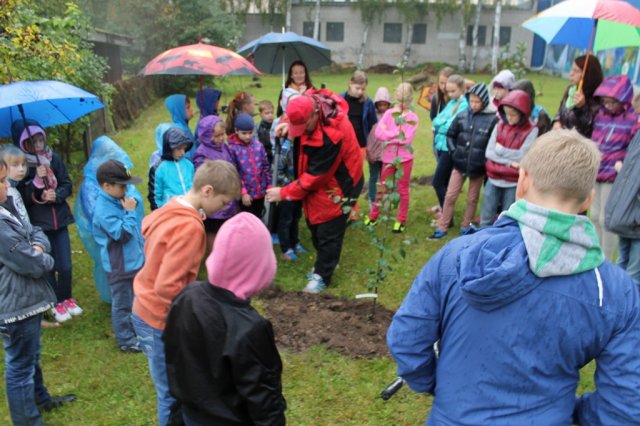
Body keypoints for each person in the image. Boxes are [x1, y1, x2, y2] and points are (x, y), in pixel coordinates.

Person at [387, 129, 640, 425]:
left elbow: (407, 339)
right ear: (587, 200)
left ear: (522, 181)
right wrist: (573, 414)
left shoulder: (456, 255)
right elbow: (627, 402)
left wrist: (434, 384)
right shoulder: (615, 290)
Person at [132, 159, 241, 426]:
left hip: (142, 309)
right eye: (224, 201)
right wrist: (197, 316)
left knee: (172, 389)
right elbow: (168, 287)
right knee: (171, 394)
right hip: (159, 318)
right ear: (207, 191)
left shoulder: (173, 207)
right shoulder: (190, 228)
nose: (225, 208)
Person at [164, 212, 286, 425]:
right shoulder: (251, 328)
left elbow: (174, 357)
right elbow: (264, 398)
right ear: (259, 268)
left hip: (190, 416)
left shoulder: (187, 296)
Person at [0, 157, 77, 425]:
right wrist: (44, 258)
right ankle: (27, 420)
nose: (6, 185)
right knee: (20, 365)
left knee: (30, 356)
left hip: (25, 297)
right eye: (0, 180)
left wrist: (38, 245)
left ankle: (40, 399)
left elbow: (34, 230)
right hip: (13, 303)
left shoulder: (7, 204)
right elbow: (28, 261)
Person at [266, 89, 364, 293]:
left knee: (329, 227)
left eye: (302, 125)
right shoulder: (310, 103)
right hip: (321, 178)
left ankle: (322, 275)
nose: (299, 131)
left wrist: (283, 193)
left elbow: (315, 177)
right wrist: (290, 127)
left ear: (315, 113)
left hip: (340, 183)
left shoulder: (331, 135)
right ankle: (327, 260)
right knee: (313, 222)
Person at [12, 121, 82, 324]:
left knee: (66, 265)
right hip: (39, 225)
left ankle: (66, 298)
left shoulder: (53, 159)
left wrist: (57, 194)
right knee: (48, 265)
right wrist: (34, 184)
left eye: (41, 139)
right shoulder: (22, 167)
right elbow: (20, 199)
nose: (39, 145)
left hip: (59, 219)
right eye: (33, 142)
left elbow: (67, 184)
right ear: (24, 144)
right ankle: (54, 303)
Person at [429, 82, 498, 239]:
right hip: (459, 164)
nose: (473, 105)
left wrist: (484, 161)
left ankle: (466, 226)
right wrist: (454, 152)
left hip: (478, 168)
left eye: (477, 101)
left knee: (472, 198)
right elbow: (451, 135)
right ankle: (442, 226)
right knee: (450, 195)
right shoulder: (461, 116)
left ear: (484, 101)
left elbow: (493, 143)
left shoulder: (492, 119)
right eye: (471, 101)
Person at [92, 159, 144, 353]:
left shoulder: (116, 199)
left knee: (136, 298)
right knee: (122, 304)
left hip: (133, 261)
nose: (127, 190)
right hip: (120, 266)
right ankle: (126, 340)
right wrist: (130, 213)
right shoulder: (102, 210)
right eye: (123, 186)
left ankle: (136, 329)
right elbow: (121, 234)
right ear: (106, 186)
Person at [590, 74, 638, 261]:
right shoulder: (600, 116)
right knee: (593, 215)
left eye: (612, 102)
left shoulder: (632, 119)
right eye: (605, 102)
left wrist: (622, 165)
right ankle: (594, 253)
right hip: (597, 171)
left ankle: (606, 257)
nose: (608, 106)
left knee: (606, 219)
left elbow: (633, 148)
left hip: (614, 176)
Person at [365, 83, 419, 234]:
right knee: (383, 187)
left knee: (403, 189)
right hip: (388, 159)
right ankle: (373, 216)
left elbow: (407, 139)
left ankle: (401, 220)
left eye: (406, 96)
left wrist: (390, 134)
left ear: (411, 98)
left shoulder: (413, 117)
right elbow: (379, 134)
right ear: (396, 95)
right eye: (400, 95)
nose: (402, 99)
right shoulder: (389, 114)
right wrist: (395, 134)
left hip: (405, 159)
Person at [480, 89, 538, 227]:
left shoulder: (531, 130)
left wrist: (500, 151)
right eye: (507, 114)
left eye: (513, 115)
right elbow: (489, 152)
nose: (509, 117)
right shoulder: (499, 125)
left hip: (512, 181)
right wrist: (510, 162)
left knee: (508, 216)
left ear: (523, 114)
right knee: (486, 215)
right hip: (493, 178)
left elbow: (523, 155)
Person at [193, 115, 238, 250]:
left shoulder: (224, 147)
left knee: (226, 228)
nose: (220, 139)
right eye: (216, 136)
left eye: (222, 135)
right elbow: (201, 177)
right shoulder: (202, 153)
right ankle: (214, 255)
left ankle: (226, 252)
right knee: (213, 231)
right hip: (213, 199)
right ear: (206, 135)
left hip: (227, 195)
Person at [271, 88, 306, 261]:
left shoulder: (301, 134)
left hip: (299, 183)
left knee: (296, 216)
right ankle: (286, 248)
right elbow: (279, 164)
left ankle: (295, 242)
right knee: (285, 218)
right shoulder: (282, 135)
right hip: (286, 185)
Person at [606, 130, 640, 286]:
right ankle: (618, 306)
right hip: (627, 214)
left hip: (631, 216)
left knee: (632, 274)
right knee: (623, 268)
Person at [431, 75, 469, 212]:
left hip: (449, 148)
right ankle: (445, 212)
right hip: (441, 145)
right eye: (448, 91)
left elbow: (451, 126)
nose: (450, 94)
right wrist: (441, 125)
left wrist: (439, 127)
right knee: (444, 182)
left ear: (461, 89)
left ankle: (447, 214)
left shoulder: (464, 104)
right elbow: (436, 119)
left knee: (437, 182)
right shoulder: (452, 103)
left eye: (453, 91)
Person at [228, 112, 271, 218]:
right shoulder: (232, 149)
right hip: (246, 196)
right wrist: (243, 192)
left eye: (250, 132)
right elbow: (234, 173)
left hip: (260, 193)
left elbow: (266, 166)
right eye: (244, 133)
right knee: (246, 220)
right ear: (236, 131)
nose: (248, 136)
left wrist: (269, 185)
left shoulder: (258, 146)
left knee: (258, 218)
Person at [554, 54, 604, 138]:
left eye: (576, 71)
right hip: (561, 139)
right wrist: (557, 122)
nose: (571, 74)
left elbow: (587, 129)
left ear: (588, 74)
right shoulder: (571, 90)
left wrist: (582, 108)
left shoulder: (597, 98)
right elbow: (560, 112)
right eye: (571, 70)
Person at [341, 70, 378, 163]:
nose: (360, 92)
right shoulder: (340, 99)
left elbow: (373, 124)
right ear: (350, 84)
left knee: (356, 171)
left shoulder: (368, 103)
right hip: (343, 144)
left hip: (360, 144)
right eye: (357, 88)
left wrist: (371, 146)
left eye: (363, 89)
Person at [154, 127, 195, 209]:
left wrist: (199, 209)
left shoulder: (189, 165)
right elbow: (157, 195)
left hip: (191, 209)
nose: (183, 152)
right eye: (179, 148)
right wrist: (163, 211)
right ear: (169, 148)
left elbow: (196, 188)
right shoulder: (160, 169)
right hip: (172, 212)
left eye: (184, 148)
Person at [366, 87, 392, 207]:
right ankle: (372, 201)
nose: (382, 107)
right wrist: (368, 151)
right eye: (379, 105)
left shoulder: (391, 117)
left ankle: (384, 200)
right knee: (373, 177)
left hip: (386, 153)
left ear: (389, 104)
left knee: (385, 177)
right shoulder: (372, 116)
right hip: (373, 152)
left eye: (385, 104)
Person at [164, 94, 196, 160]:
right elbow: (185, 156)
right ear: (179, 110)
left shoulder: (184, 126)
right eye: (188, 107)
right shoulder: (180, 131)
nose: (191, 109)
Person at [257, 99, 275, 164]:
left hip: (273, 155)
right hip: (262, 155)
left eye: (272, 112)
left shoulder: (276, 125)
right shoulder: (257, 127)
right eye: (267, 113)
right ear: (260, 114)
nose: (270, 115)